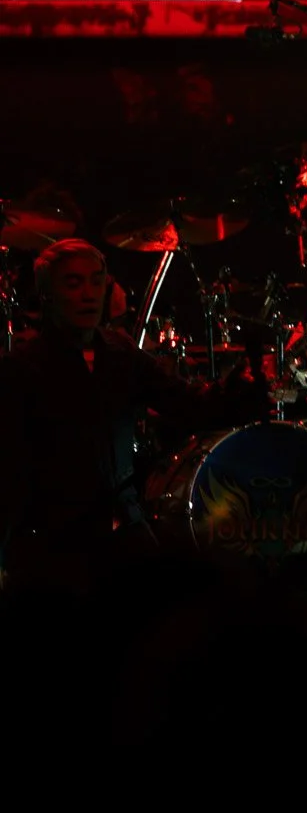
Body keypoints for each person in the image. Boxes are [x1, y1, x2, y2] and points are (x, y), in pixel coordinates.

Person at [0, 238, 267, 597]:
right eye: (74, 283)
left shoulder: (119, 351)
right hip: (55, 540)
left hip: (122, 527)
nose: (88, 294)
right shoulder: (22, 368)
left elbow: (187, 404)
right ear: (47, 294)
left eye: (96, 281)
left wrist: (241, 384)